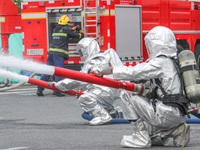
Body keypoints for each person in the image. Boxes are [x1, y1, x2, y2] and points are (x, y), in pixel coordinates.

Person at [90, 26, 190, 148]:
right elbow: (157, 89)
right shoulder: (174, 61)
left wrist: (109, 70)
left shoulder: (160, 62)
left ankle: (140, 138)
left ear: (154, 44)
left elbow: (134, 72)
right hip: (180, 115)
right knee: (151, 132)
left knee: (126, 94)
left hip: (165, 114)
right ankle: (178, 131)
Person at [55, 37, 138, 125]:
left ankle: (103, 116)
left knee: (84, 98)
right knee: (92, 94)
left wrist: (60, 85)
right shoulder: (102, 58)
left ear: (87, 50)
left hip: (105, 92)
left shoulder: (92, 61)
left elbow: (79, 79)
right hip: (111, 90)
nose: (81, 55)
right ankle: (110, 111)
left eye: (82, 52)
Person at [37, 15, 84, 97]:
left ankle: (39, 89)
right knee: (59, 73)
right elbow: (78, 36)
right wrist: (80, 32)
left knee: (47, 72)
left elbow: (66, 30)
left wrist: (72, 29)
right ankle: (57, 91)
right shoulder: (67, 30)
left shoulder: (55, 29)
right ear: (66, 23)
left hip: (51, 54)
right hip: (58, 56)